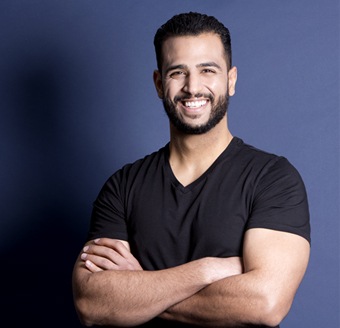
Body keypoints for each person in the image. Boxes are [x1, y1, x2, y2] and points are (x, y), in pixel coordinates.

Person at [72, 12, 310, 328]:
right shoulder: (122, 186)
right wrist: (207, 270)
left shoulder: (273, 178)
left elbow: (265, 303)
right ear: (159, 84)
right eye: (177, 72)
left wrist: (141, 288)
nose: (192, 87)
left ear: (231, 79)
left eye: (207, 70)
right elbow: (92, 302)